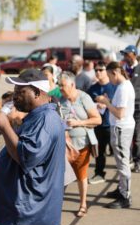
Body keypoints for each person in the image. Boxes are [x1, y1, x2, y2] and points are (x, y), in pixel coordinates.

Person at [0, 69, 66, 225]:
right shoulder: (37, 117)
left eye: (20, 92)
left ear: (37, 92)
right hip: (22, 212)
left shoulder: (45, 120)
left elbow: (25, 157)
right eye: (15, 92)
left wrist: (4, 126)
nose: (15, 97)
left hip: (27, 215)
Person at [58, 71, 101, 217]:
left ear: (72, 84)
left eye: (63, 86)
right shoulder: (59, 99)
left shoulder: (84, 98)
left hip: (82, 144)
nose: (61, 88)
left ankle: (83, 204)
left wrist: (78, 123)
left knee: (81, 175)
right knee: (61, 176)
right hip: (64, 146)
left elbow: (97, 120)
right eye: (59, 85)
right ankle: (57, 206)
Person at [96, 62, 135, 209]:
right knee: (121, 162)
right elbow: (120, 108)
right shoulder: (125, 86)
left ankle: (125, 196)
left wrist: (106, 102)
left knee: (122, 162)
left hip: (121, 128)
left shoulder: (124, 88)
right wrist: (110, 101)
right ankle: (122, 190)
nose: (109, 80)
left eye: (108, 75)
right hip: (122, 127)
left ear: (114, 73)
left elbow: (119, 114)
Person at [88, 61, 117, 184]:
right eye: (96, 70)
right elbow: (87, 105)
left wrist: (106, 103)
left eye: (101, 70)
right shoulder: (92, 88)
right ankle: (99, 173)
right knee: (99, 152)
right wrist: (96, 105)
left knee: (118, 152)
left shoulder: (114, 87)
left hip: (112, 124)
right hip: (98, 125)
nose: (98, 72)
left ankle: (122, 179)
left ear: (107, 71)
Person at [120, 45, 140, 173]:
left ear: (133, 54)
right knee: (127, 135)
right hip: (126, 107)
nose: (125, 56)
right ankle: (130, 159)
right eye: (124, 54)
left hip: (138, 106)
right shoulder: (124, 69)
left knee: (137, 136)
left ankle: (138, 161)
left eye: (127, 54)